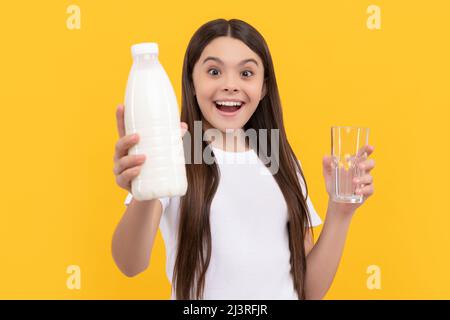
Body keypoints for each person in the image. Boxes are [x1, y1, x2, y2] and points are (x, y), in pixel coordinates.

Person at [111, 18, 376, 300]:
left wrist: (340, 211)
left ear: (263, 88)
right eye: (214, 71)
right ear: (191, 80)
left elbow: (307, 290)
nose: (230, 85)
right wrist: (146, 182)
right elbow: (130, 263)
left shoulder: (280, 161)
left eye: (246, 74)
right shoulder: (176, 154)